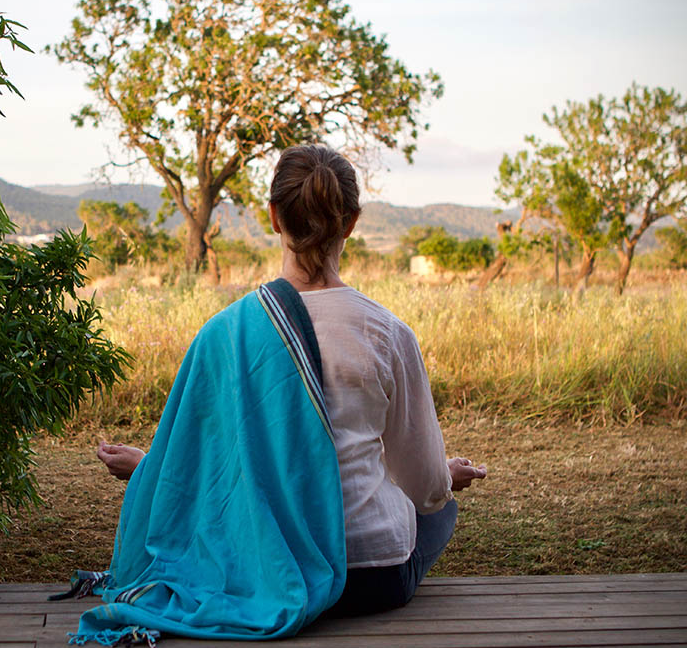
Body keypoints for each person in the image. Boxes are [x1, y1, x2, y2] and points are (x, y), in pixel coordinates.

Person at [95, 144, 486, 623]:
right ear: (352, 222)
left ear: (274, 217)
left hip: (264, 567)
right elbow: (425, 486)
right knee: (441, 511)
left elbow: (211, 464)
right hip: (370, 575)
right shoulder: (388, 334)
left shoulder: (226, 332)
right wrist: (447, 476)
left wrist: (150, 466)